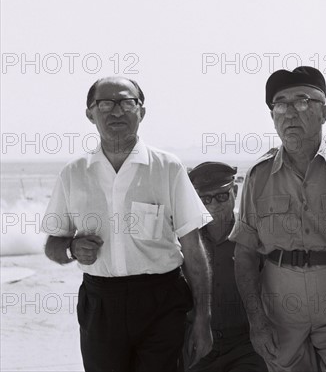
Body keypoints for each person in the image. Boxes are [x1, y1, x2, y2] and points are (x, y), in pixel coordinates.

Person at [42, 76, 213, 372]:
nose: (116, 111)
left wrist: (203, 319)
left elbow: (193, 250)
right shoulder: (73, 174)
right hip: (100, 304)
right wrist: (71, 248)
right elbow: (52, 246)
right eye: (105, 104)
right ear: (90, 113)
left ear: (141, 111)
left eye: (126, 102)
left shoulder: (168, 168)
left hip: (162, 300)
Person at [231, 66, 326, 372]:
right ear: (272, 116)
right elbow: (244, 253)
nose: (289, 112)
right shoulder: (258, 177)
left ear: (324, 113)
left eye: (302, 102)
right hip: (281, 312)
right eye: (280, 104)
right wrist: (256, 320)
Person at [183, 162, 267, 372]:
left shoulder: (254, 237)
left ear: (235, 191)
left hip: (245, 344)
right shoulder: (185, 242)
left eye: (221, 196)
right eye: (205, 199)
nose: (214, 205)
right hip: (198, 342)